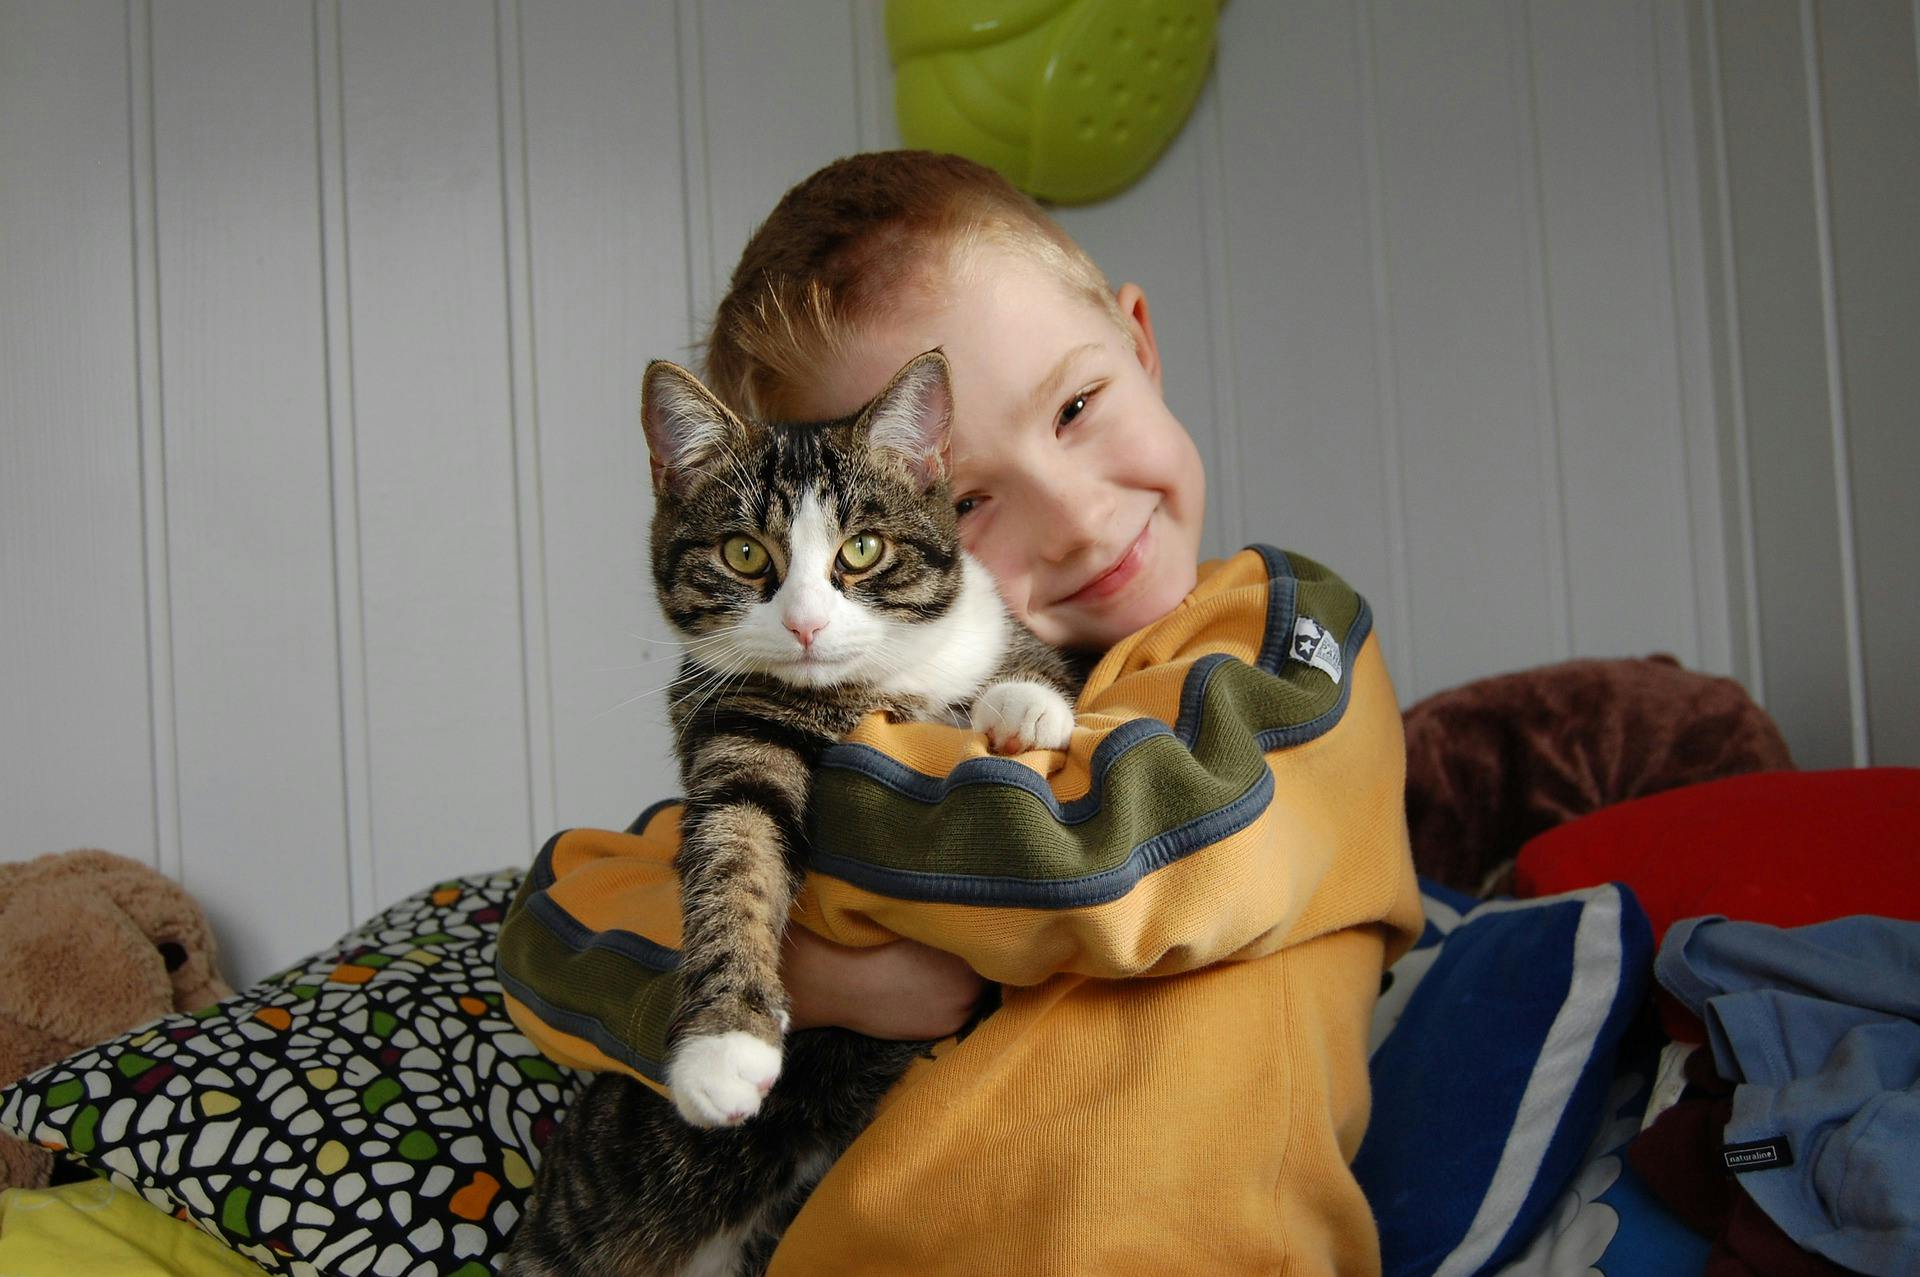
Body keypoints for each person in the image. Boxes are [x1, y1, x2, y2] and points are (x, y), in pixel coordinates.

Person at [497, 150, 1423, 1275]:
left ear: (1141, 338)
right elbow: (550, 924)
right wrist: (805, 970)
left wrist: (797, 875)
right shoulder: (899, 681)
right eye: (970, 497)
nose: (1078, 519)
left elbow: (1104, 864)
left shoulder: (1286, 639)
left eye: (1078, 406)